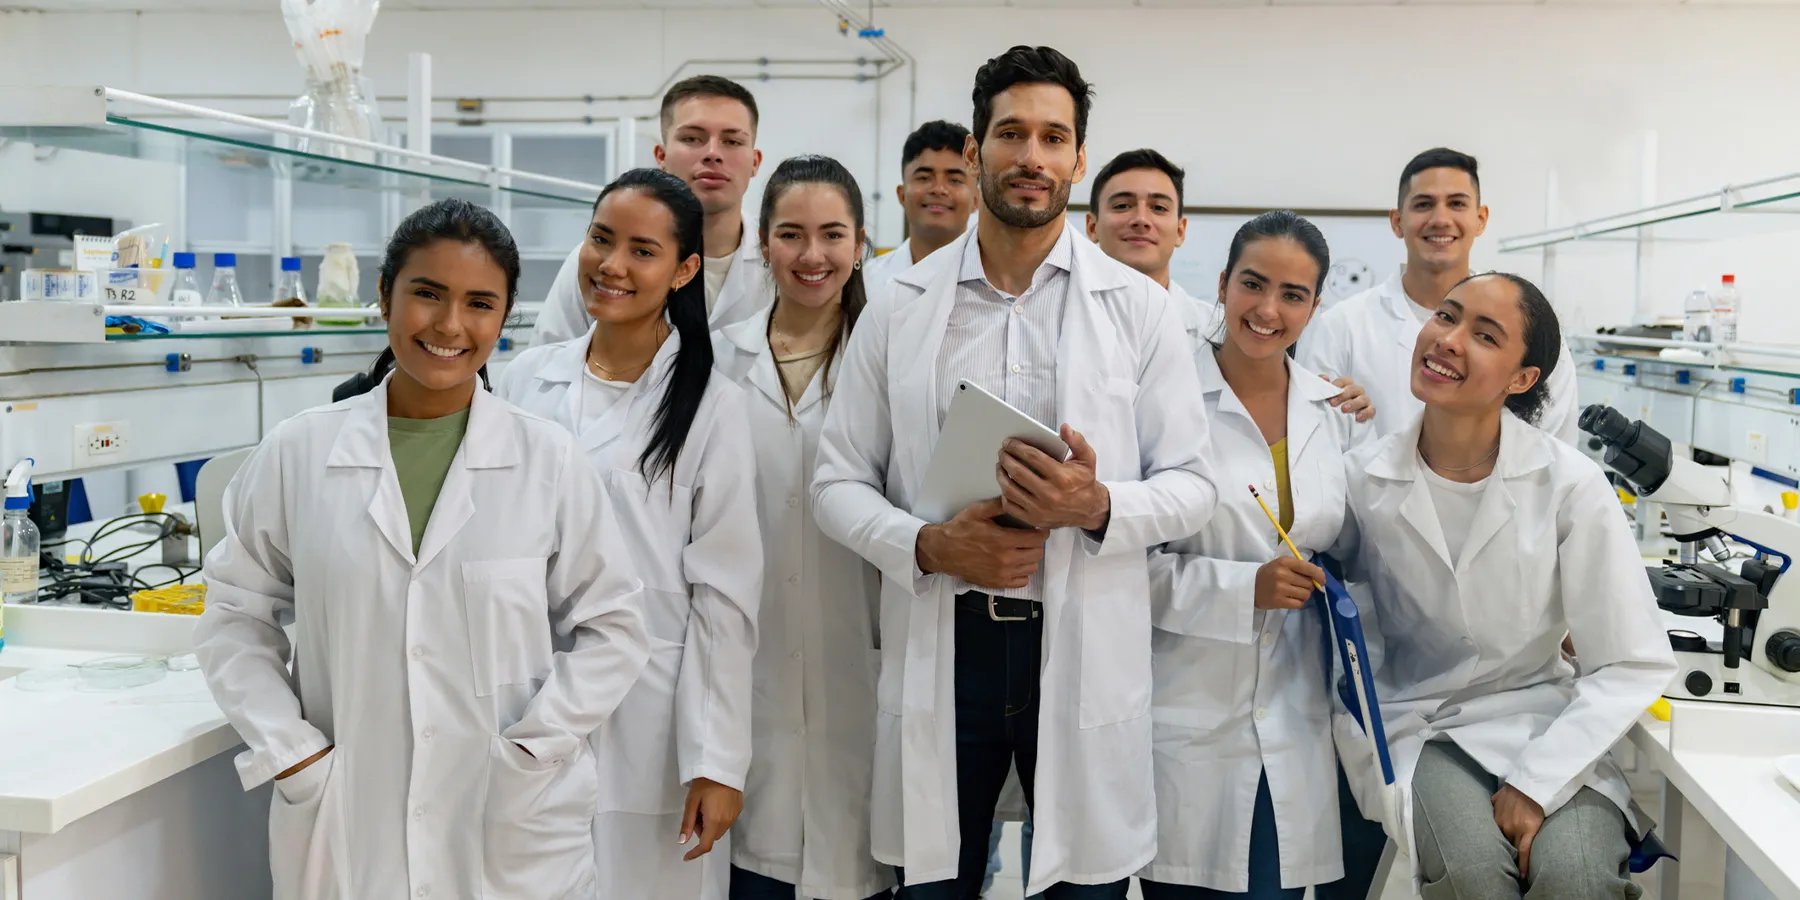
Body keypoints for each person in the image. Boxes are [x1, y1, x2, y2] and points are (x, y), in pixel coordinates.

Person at [811, 45, 1219, 899]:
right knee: (933, 883)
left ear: (1077, 158)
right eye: (1011, 134)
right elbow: (836, 482)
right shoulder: (898, 303)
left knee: (1086, 883)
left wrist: (1099, 502)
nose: (1031, 157)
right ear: (973, 149)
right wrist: (927, 545)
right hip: (945, 641)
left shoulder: (1138, 309)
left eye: (1053, 138)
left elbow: (1193, 482)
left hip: (1077, 643)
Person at [194, 198, 652, 900]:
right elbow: (233, 614)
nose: (449, 325)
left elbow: (615, 627)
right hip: (349, 821)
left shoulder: (547, 460)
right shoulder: (301, 451)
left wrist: (537, 745)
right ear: (385, 296)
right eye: (427, 294)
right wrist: (292, 754)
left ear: (503, 320)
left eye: (479, 304)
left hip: (507, 820)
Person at [1331, 272, 1677, 900]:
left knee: (1575, 876)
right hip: (1423, 720)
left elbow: (1631, 659)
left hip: (1541, 716)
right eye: (1446, 316)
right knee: (1471, 878)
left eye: (1483, 335)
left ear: (1522, 379)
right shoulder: (1363, 478)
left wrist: (1534, 785)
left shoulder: (1568, 483)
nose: (1448, 340)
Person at [497, 168, 763, 900]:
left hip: (653, 719)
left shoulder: (713, 406)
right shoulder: (525, 381)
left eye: (641, 251)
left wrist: (717, 761)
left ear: (683, 270)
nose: (611, 265)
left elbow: (726, 596)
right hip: (530, 699)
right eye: (600, 240)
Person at [1137, 211, 1364, 900]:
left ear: (1314, 307)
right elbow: (1117, 567)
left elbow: (1358, 549)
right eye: (1253, 285)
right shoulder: (1163, 399)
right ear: (1223, 285)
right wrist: (1245, 590)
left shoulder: (1337, 413)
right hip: (1187, 713)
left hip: (1298, 715)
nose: (1268, 310)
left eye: (1293, 295)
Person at [712, 154, 893, 900]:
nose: (811, 256)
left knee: (866, 858)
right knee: (755, 868)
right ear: (763, 241)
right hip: (746, 666)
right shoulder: (717, 359)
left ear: (860, 246)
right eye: (791, 234)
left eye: (832, 235)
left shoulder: (892, 358)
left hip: (868, 657)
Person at [1298, 148, 1578, 443]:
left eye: (1457, 203)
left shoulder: (1532, 331)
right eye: (1423, 204)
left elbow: (1555, 445)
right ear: (1397, 222)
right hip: (1368, 490)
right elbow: (1311, 443)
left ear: (1480, 219)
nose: (1441, 219)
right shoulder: (1339, 327)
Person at [1086, 150, 1371, 425]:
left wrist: (1337, 401)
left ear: (1181, 230)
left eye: (1158, 208)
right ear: (1091, 226)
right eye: (1122, 205)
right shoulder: (1061, 318)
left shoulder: (1225, 335)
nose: (1141, 220)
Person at [535, 76, 768, 342]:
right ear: (661, 156)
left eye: (732, 141)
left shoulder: (779, 264)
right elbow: (547, 367)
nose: (712, 153)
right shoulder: (598, 261)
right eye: (692, 138)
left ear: (755, 162)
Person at [864, 120, 978, 290]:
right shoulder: (866, 283)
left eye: (955, 180)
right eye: (924, 178)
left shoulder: (1000, 283)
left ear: (976, 200)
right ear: (901, 195)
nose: (939, 189)